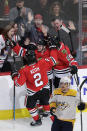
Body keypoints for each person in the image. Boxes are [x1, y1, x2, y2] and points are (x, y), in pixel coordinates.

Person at [11, 49, 57, 126]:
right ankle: (52, 118)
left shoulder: (24, 69)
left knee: (29, 106)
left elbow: (18, 84)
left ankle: (37, 120)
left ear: (26, 58)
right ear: (35, 57)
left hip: (33, 92)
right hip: (45, 89)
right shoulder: (42, 61)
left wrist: (14, 76)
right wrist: (53, 48)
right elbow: (54, 60)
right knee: (45, 102)